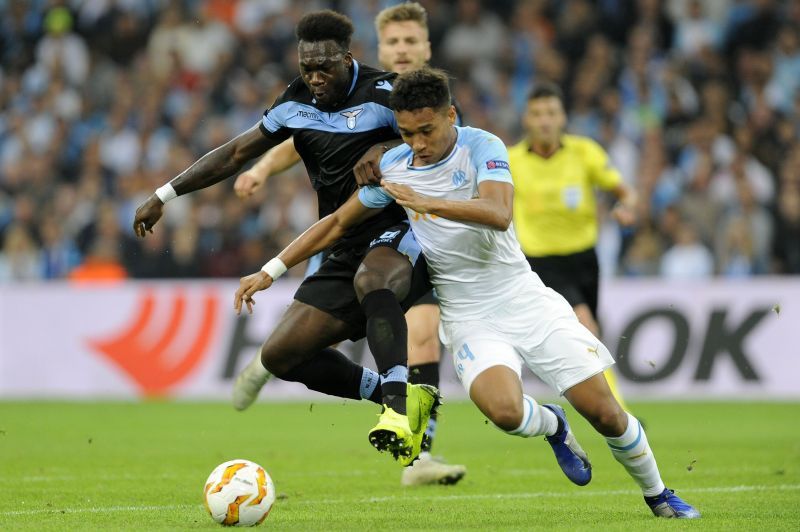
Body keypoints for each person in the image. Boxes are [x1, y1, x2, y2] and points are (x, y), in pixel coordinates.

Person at [235, 68, 700, 519]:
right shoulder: (395, 166)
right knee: (505, 413)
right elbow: (337, 223)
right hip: (468, 313)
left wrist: (427, 202)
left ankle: (659, 494)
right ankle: (554, 424)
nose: (417, 143)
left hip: (524, 299)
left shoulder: (482, 146)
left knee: (605, 415)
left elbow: (498, 212)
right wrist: (272, 269)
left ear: (450, 115)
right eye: (407, 133)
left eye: (426, 130)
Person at [133, 10, 438, 465]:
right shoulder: (294, 103)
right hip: (339, 240)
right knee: (282, 358)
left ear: (347, 58)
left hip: (401, 230)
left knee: (374, 280)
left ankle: (396, 408)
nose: (315, 77)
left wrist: (385, 147)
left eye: (324, 68)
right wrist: (166, 193)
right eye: (306, 68)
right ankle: (400, 396)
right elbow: (235, 152)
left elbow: (434, 139)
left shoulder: (383, 92)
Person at [232, 2, 465, 486]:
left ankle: (415, 451)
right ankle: (274, 362)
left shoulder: (432, 105)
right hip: (345, 230)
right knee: (308, 342)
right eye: (394, 43)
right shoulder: (350, 93)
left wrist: (389, 148)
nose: (402, 49)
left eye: (410, 41)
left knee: (416, 329)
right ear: (379, 50)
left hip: (412, 234)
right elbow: (297, 140)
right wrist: (258, 169)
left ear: (426, 47)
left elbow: (451, 148)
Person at [507, 82, 637, 410]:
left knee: (587, 338)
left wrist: (627, 208)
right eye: (537, 114)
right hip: (539, 261)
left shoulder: (585, 152)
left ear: (563, 116)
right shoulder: (511, 160)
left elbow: (625, 191)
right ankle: (618, 411)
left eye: (551, 113)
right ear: (526, 119)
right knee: (586, 326)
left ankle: (595, 403)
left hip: (584, 260)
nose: (545, 121)